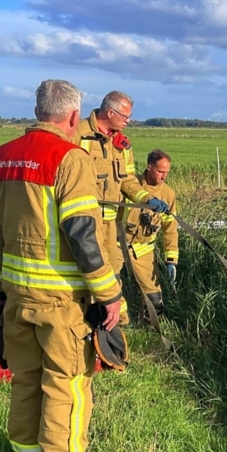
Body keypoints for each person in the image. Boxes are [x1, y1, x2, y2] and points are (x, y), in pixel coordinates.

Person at [0, 79, 123, 452]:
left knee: (25, 379)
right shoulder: (71, 159)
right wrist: (108, 292)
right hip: (61, 301)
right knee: (68, 384)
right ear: (75, 116)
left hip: (16, 295)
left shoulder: (1, 157)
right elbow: (82, 234)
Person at [76, 91, 170, 326]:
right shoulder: (77, 134)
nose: (128, 121)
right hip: (82, 218)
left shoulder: (122, 145)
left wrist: (146, 199)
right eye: (126, 116)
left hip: (110, 224)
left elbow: (127, 179)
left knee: (111, 271)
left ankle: (119, 321)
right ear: (110, 112)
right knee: (84, 268)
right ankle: (83, 318)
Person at [124, 149, 179, 317]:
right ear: (149, 167)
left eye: (167, 172)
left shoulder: (168, 194)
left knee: (154, 297)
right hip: (117, 245)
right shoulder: (131, 185)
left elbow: (170, 229)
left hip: (143, 250)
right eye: (160, 171)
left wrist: (171, 260)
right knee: (109, 291)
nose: (164, 176)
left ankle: (153, 328)